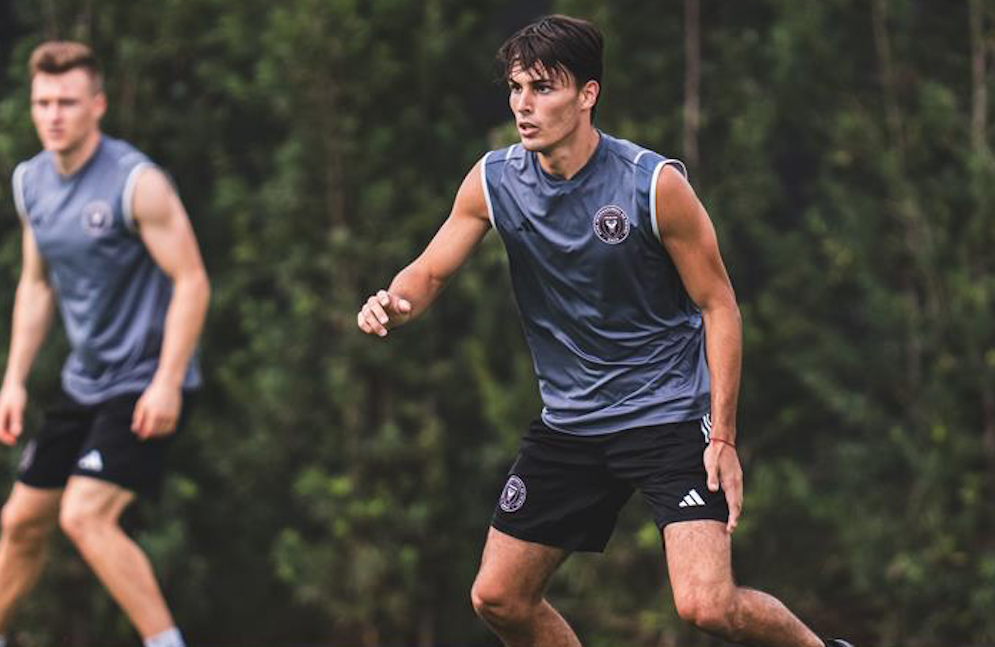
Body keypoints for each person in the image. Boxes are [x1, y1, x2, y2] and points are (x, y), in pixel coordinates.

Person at [357, 15, 852, 647]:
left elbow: (718, 306)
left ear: (587, 94)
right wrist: (393, 302)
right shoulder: (494, 180)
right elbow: (427, 273)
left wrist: (723, 435)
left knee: (707, 606)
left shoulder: (654, 186)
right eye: (515, 89)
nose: (523, 105)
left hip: (669, 416)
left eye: (542, 88)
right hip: (572, 425)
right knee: (499, 597)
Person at [0, 41, 209, 647]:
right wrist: (14, 380)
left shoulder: (136, 183)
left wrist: (167, 381)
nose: (53, 115)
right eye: (42, 102)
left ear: (97, 105)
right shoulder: (30, 183)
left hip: (145, 380)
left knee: (84, 515)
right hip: (84, 381)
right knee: (20, 521)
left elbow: (193, 281)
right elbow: (36, 284)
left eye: (67, 102)